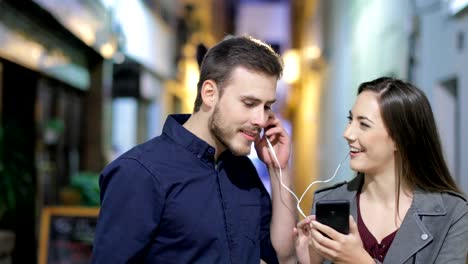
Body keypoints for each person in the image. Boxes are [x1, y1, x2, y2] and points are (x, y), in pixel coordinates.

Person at [91, 36, 297, 263]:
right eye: (249, 103)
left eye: (267, 106)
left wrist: (279, 168)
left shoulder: (242, 171)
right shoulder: (139, 172)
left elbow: (282, 255)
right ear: (210, 93)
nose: (261, 119)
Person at [294, 77, 468, 263]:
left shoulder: (453, 213)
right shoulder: (328, 202)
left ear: (400, 138)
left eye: (364, 124)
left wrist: (359, 261)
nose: (348, 134)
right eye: (350, 119)